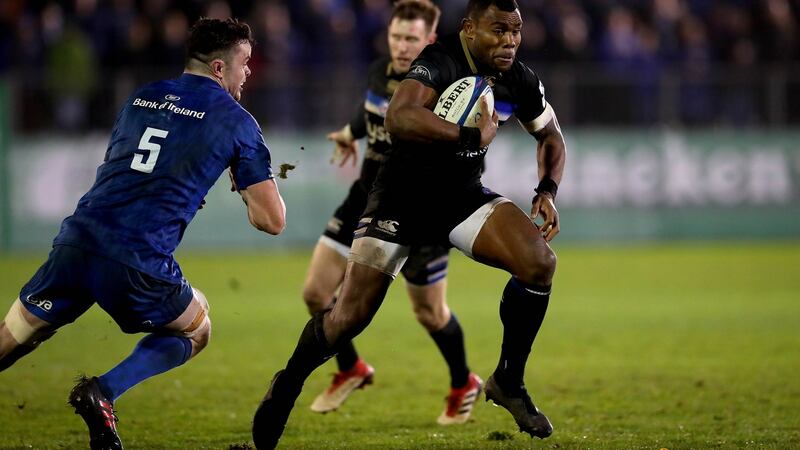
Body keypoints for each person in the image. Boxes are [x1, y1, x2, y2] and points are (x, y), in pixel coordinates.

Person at [252, 0, 567, 447]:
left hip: (460, 198)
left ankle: (508, 382)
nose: (510, 40)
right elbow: (400, 118)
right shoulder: (438, 60)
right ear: (470, 29)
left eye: (516, 31)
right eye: (499, 30)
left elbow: (550, 135)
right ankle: (288, 383)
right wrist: (470, 135)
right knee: (350, 316)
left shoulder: (517, 76)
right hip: (399, 198)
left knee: (539, 263)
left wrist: (547, 190)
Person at [0, 18, 285, 450]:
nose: (250, 72)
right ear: (219, 69)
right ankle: (103, 392)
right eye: (245, 62)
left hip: (78, 240)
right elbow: (272, 220)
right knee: (197, 327)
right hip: (135, 258)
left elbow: (128, 166)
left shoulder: (141, 97)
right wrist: (242, 187)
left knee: (17, 336)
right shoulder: (237, 122)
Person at [303, 0, 481, 425]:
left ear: (430, 41)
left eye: (411, 39)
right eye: (396, 37)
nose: (401, 47)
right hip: (367, 195)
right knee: (315, 292)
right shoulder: (379, 71)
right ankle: (351, 368)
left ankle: (463, 383)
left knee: (428, 312)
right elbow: (373, 115)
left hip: (420, 207)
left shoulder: (446, 86)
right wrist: (349, 132)